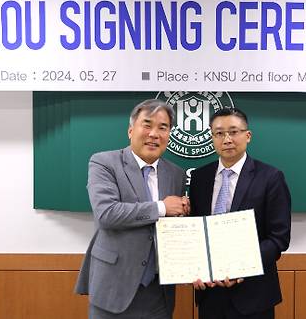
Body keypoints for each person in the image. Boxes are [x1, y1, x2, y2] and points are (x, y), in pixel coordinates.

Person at [75, 99, 190, 319]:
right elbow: (107, 214)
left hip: (159, 293)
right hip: (114, 287)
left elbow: (171, 226)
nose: (154, 134)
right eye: (147, 125)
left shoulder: (176, 173)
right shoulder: (104, 162)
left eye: (162, 127)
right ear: (130, 130)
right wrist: (162, 207)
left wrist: (183, 212)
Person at [190, 107, 291, 319]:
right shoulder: (200, 178)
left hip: (253, 294)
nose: (227, 139)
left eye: (233, 132)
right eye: (219, 133)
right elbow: (195, 233)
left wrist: (241, 266)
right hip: (210, 294)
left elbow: (278, 239)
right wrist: (194, 269)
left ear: (248, 135)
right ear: (211, 137)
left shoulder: (271, 177)